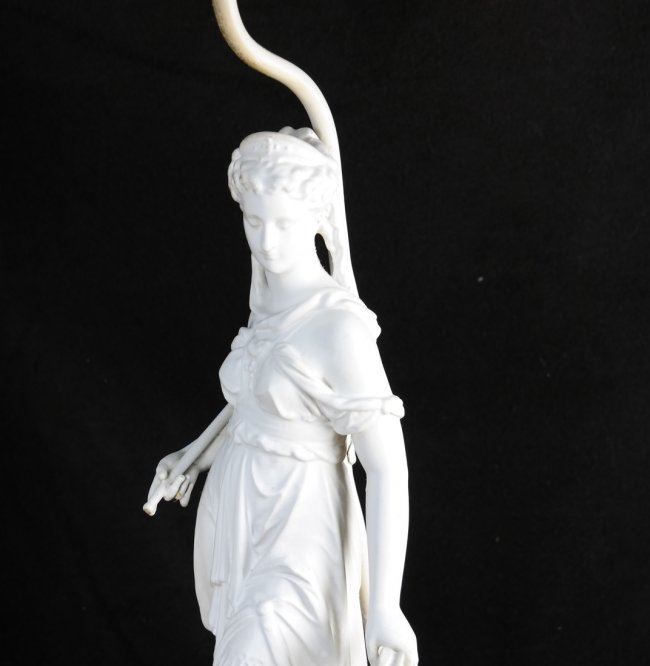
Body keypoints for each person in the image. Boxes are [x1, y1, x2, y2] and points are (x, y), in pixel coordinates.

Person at [147, 127, 418, 666]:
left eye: (285, 224)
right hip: (242, 515)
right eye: (255, 221)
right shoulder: (267, 304)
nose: (267, 241)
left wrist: (386, 606)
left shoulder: (339, 329)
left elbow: (388, 467)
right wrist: (194, 455)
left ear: (317, 218)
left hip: (302, 527)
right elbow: (255, 403)